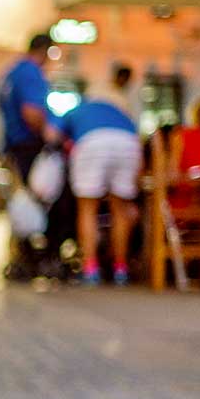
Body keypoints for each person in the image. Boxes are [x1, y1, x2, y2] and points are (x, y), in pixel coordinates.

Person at [48, 95, 141, 286]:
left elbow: (51, 135)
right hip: (128, 143)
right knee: (121, 209)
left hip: (92, 143)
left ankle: (90, 269)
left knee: (87, 208)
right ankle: (120, 269)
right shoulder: (117, 109)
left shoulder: (75, 111)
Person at [0, 33, 56, 275]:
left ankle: (18, 256)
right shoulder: (31, 73)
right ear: (44, 52)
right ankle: (31, 257)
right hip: (28, 145)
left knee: (20, 202)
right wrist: (48, 133)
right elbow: (32, 113)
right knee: (36, 201)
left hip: (13, 143)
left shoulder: (11, 73)